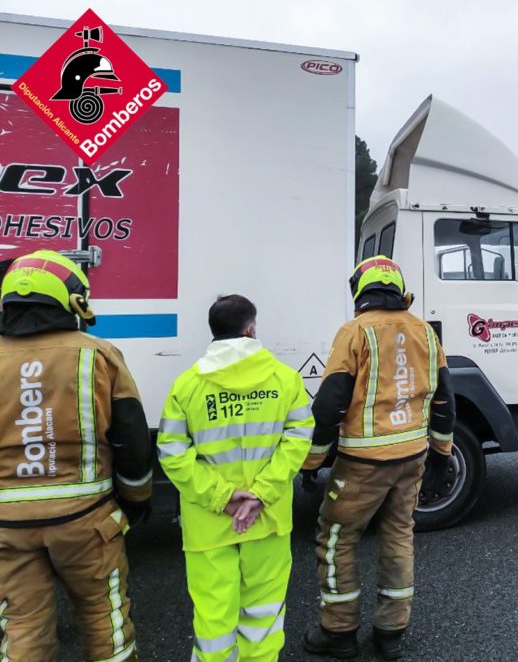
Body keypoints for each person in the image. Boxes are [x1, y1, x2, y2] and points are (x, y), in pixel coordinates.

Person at [0, 250, 152, 661]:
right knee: (105, 620)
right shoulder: (97, 353)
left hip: (8, 528)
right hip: (86, 521)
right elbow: (132, 439)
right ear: (73, 301)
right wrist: (136, 501)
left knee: (23, 627)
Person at [303, 257, 455, 661]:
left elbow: (330, 404)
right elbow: (444, 399)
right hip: (411, 458)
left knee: (337, 538)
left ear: (361, 289)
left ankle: (338, 632)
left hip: (362, 464)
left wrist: (312, 461)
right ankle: (390, 633)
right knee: (399, 536)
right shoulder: (425, 331)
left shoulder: (354, 332)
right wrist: (441, 454)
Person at [157, 294, 313, 661]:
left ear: (213, 331)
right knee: (263, 618)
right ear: (250, 328)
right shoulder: (285, 379)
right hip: (269, 520)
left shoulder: (187, 385)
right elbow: (299, 438)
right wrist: (260, 494)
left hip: (209, 525)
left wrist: (223, 497)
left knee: (214, 623)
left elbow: (171, 452)